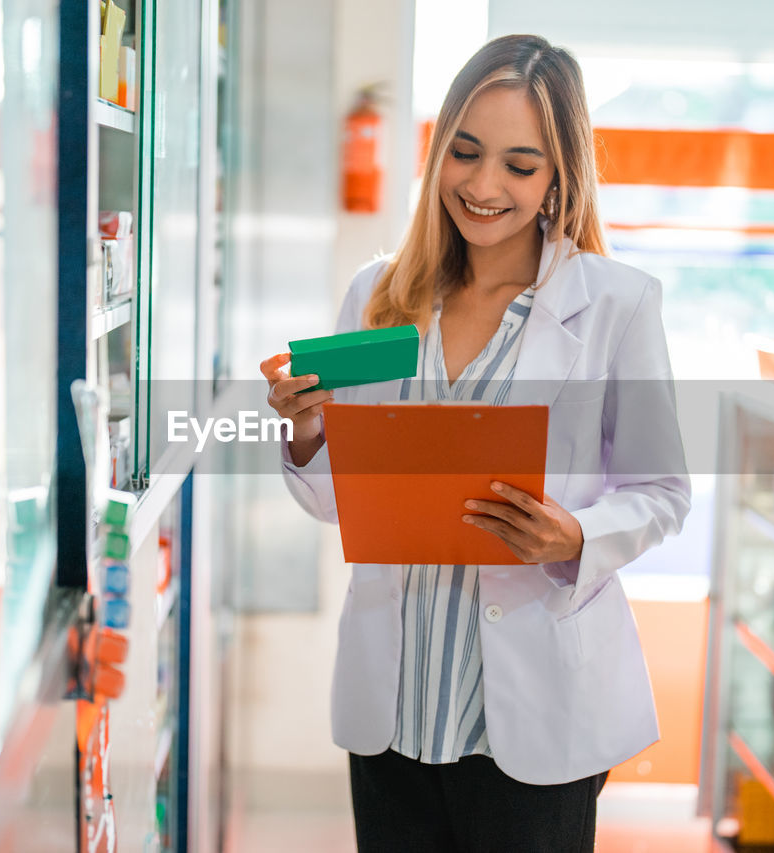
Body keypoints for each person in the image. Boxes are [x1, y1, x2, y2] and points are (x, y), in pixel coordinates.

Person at [260, 34, 690, 852]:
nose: (484, 186)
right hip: (394, 703)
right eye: (465, 152)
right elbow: (338, 499)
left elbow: (663, 490)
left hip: (533, 718)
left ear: (559, 175)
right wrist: (308, 428)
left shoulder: (616, 305)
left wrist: (576, 535)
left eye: (520, 166)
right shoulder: (381, 294)